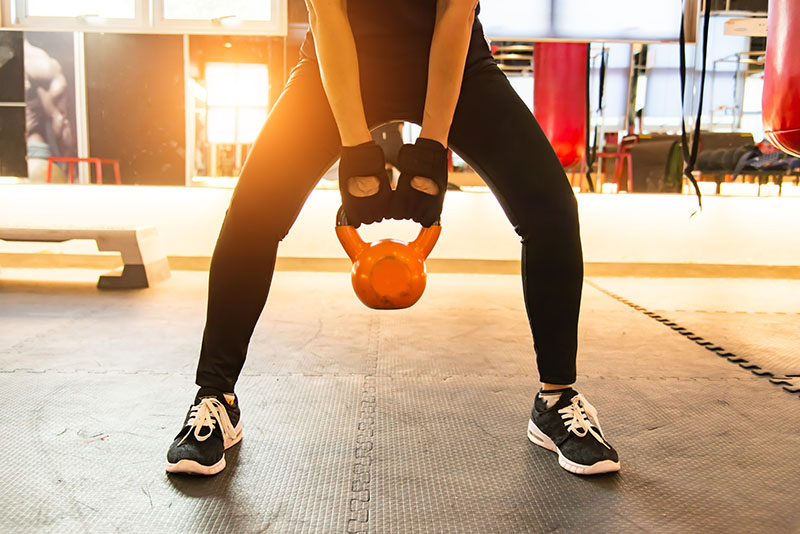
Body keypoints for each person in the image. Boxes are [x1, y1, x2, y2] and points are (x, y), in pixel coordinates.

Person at [166, 0, 620, 477]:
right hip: (342, 51)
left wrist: (432, 147)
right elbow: (327, 15)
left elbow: (456, 14)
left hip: (453, 54)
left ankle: (556, 400)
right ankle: (216, 397)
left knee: (551, 208)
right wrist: (356, 146)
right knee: (253, 210)